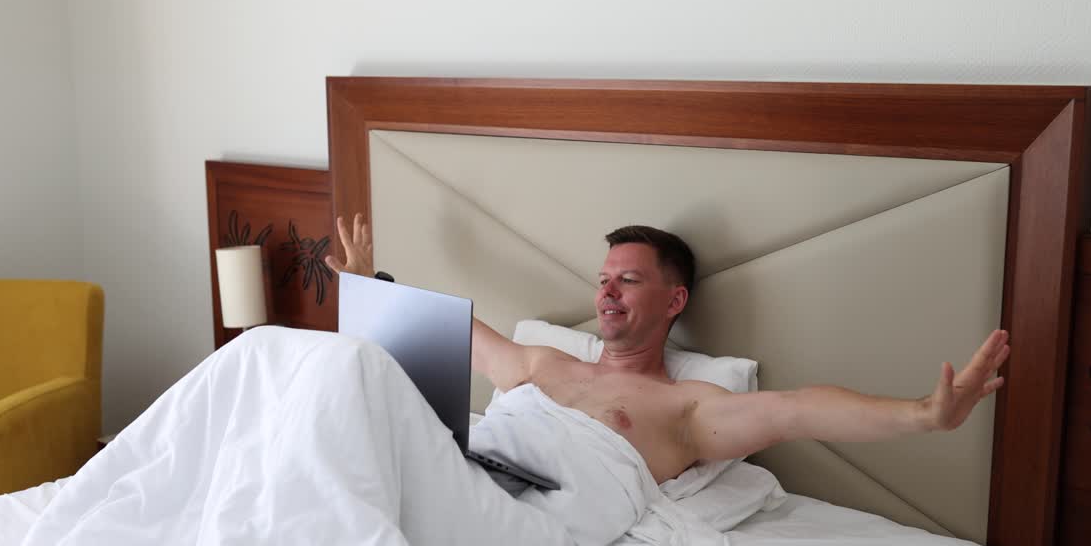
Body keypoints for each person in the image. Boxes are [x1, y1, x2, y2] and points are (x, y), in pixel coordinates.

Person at [326, 215, 1010, 484]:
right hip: (455, 467)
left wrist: (925, 414)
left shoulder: (687, 410)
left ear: (675, 301)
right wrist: (368, 286)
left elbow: (800, 409)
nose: (607, 294)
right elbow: (431, 327)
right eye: (602, 281)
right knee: (271, 365)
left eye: (629, 280)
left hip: (525, 506)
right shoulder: (538, 364)